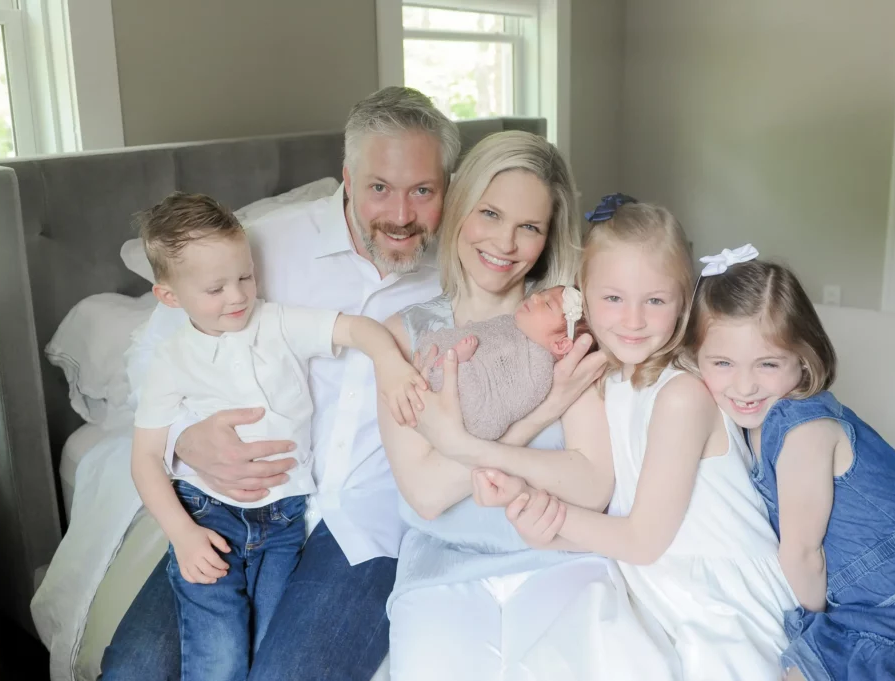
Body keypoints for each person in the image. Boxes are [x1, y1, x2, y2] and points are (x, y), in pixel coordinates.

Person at [101, 86, 462, 681]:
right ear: (346, 177)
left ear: (446, 187)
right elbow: (157, 347)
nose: (401, 215)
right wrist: (186, 438)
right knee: (134, 670)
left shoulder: (464, 268)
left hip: (363, 522)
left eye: (423, 190)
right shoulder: (261, 242)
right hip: (231, 506)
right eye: (379, 188)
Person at [381, 139, 679, 680]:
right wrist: (543, 414)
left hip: (563, 559)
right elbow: (426, 495)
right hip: (442, 570)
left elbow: (591, 484)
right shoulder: (404, 337)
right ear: (459, 208)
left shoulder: (568, 324)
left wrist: (466, 448)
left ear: (547, 238)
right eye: (490, 214)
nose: (505, 242)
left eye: (530, 227)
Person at [474, 197, 796, 680]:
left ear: (683, 302)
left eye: (655, 301)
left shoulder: (682, 395)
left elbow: (643, 538)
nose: (633, 320)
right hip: (652, 579)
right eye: (613, 298)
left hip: (717, 598)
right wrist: (532, 513)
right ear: (582, 295)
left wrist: (554, 518)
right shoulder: (610, 378)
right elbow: (605, 496)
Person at [129, 192, 426, 680]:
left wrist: (389, 362)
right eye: (216, 288)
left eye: (245, 276)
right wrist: (182, 536)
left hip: (284, 521)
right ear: (170, 297)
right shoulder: (171, 360)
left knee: (266, 648)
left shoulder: (277, 322)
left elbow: (358, 329)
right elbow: (144, 458)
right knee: (218, 657)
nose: (238, 296)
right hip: (209, 517)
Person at [682, 249, 895, 681]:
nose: (745, 385)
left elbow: (802, 553)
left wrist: (816, 626)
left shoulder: (802, 430)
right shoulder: (750, 421)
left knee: (815, 662)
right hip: (874, 593)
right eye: (722, 364)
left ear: (804, 359)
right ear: (696, 359)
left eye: (768, 364)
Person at [418, 284, 591, 439]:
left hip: (461, 397)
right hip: (429, 368)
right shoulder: (511, 323)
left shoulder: (538, 371)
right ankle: (443, 364)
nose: (535, 297)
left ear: (561, 344)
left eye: (547, 305)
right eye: (543, 292)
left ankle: (446, 365)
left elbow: (495, 415)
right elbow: (480, 332)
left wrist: (463, 366)